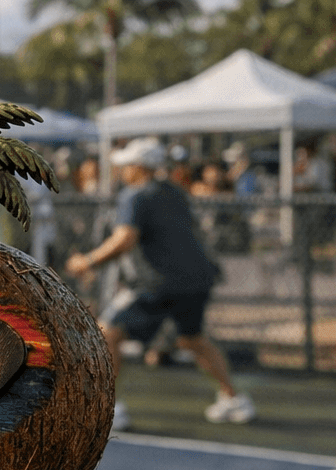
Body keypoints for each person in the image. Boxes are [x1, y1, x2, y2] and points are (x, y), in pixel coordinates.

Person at [66, 137, 254, 429]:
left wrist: (87, 262)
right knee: (192, 339)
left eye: (128, 164)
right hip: (196, 280)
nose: (123, 170)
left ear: (139, 167)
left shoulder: (135, 195)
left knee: (107, 334)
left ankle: (108, 408)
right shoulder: (174, 192)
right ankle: (233, 398)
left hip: (158, 284)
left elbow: (125, 238)